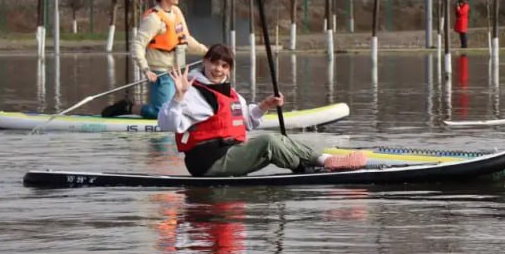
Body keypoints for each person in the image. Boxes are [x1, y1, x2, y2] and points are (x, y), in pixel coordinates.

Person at [157, 43, 368, 176]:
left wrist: (264, 106)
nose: (218, 69)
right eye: (214, 63)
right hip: (207, 162)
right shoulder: (194, 92)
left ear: (229, 69)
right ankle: (316, 166)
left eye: (224, 66)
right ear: (205, 61)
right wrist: (179, 95)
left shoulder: (229, 93)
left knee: (281, 140)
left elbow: (246, 120)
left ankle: (320, 161)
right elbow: (167, 124)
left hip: (228, 153)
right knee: (268, 141)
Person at [103, 0, 208, 118]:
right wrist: (145, 69)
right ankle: (128, 107)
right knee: (160, 112)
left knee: (181, 105)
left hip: (177, 71)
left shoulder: (176, 12)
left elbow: (186, 39)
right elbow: (137, 45)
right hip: (160, 73)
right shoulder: (153, 19)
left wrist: (208, 52)